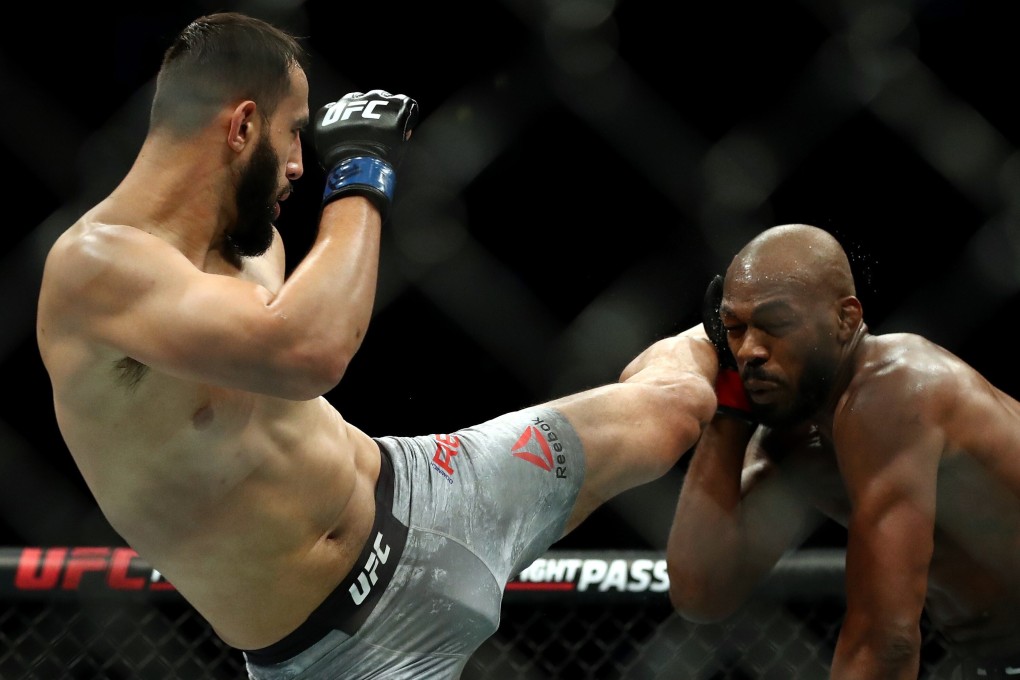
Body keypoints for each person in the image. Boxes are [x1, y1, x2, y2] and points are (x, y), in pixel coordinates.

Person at [35, 11, 720, 679]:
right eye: (295, 133)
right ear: (243, 125)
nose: (302, 163)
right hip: (336, 654)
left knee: (673, 407)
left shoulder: (254, 245)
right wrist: (361, 172)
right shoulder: (94, 269)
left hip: (432, 491)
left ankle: (774, 311)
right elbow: (313, 353)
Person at [666, 223, 1020, 679]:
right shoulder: (793, 440)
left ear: (846, 319)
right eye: (733, 329)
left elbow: (884, 639)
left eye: (775, 324)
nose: (750, 350)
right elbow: (703, 593)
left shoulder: (896, 388)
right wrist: (728, 407)